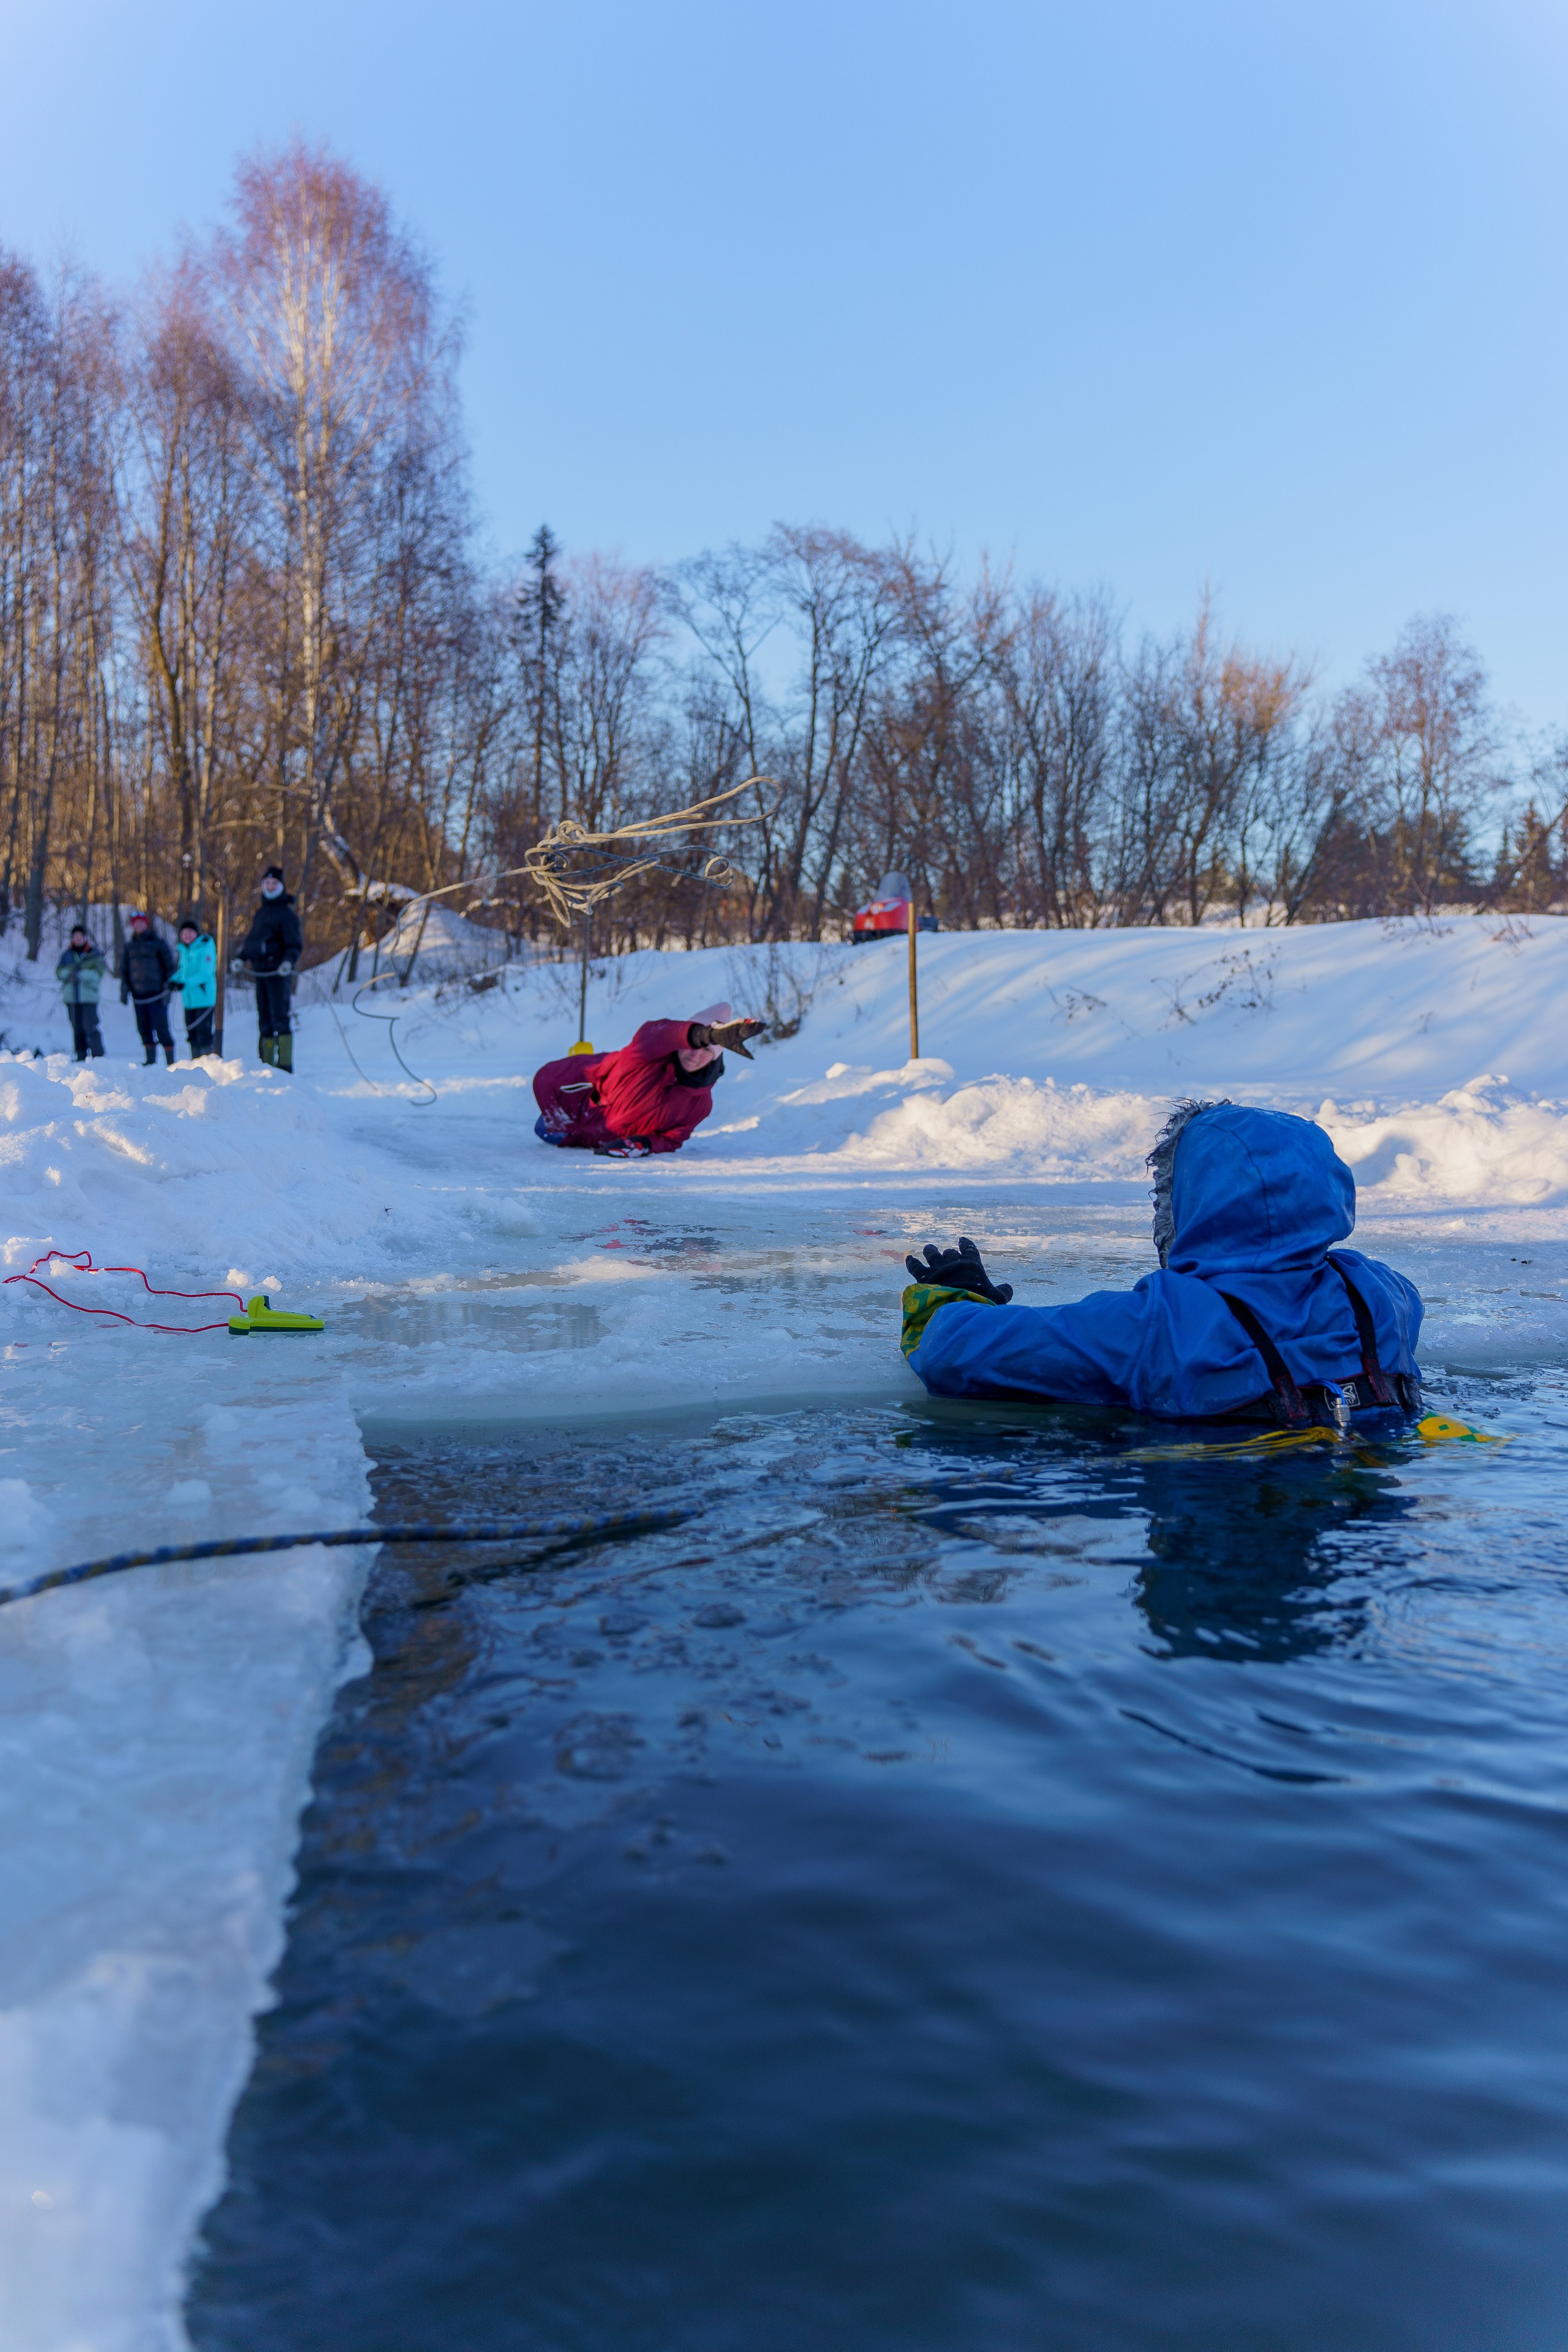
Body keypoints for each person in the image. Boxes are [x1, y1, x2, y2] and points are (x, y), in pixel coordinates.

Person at [901, 1099, 1423, 1428]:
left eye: (1165, 1196)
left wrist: (956, 1298)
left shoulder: (1163, 1322)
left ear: (1197, 1204)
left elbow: (949, 1350)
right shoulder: (1381, 1296)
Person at [532, 1001, 765, 1158]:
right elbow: (655, 1033)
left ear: (715, 1058)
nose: (696, 1056)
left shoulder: (701, 1104)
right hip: (562, 1128)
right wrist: (706, 1036)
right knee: (542, 1128)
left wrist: (642, 1144)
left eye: (707, 1051)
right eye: (693, 1046)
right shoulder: (643, 1057)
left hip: (596, 1148)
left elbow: (673, 1139)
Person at [234, 865, 303, 1070]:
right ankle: (266, 1065)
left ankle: (284, 1067)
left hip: (278, 973)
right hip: (260, 971)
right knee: (264, 1017)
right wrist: (242, 957)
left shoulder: (286, 915)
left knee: (280, 1016)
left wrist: (288, 962)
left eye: (274, 883)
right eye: (267, 883)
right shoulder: (261, 912)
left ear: (281, 887)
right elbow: (253, 942)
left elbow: (294, 944)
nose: (270, 886)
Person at [118, 911, 178, 1068]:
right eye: (135, 923)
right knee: (143, 1028)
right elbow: (124, 971)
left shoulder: (158, 943)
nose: (138, 926)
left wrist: (168, 986)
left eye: (141, 923)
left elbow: (169, 966)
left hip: (157, 995)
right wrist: (125, 989)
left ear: (146, 924)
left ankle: (171, 1062)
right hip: (139, 996)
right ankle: (150, 1061)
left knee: (162, 1027)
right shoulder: (129, 946)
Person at [56, 925, 107, 1060]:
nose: (78, 939)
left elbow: (98, 974)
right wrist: (69, 974)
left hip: (88, 998)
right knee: (77, 1028)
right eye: (75, 936)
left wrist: (80, 975)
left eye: (80, 936)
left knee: (90, 1027)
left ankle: (98, 1056)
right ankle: (81, 1056)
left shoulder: (94, 954)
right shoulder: (67, 955)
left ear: (85, 938)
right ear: (72, 938)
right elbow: (59, 972)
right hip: (72, 999)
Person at [172, 918, 217, 1058]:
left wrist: (185, 983)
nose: (187, 935)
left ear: (197, 933)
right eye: (184, 932)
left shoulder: (206, 947)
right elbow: (183, 972)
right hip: (189, 1001)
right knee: (192, 1035)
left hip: (204, 1000)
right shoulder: (185, 951)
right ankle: (196, 1063)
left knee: (203, 1035)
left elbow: (205, 974)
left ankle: (208, 1064)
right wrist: (173, 981)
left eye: (191, 932)